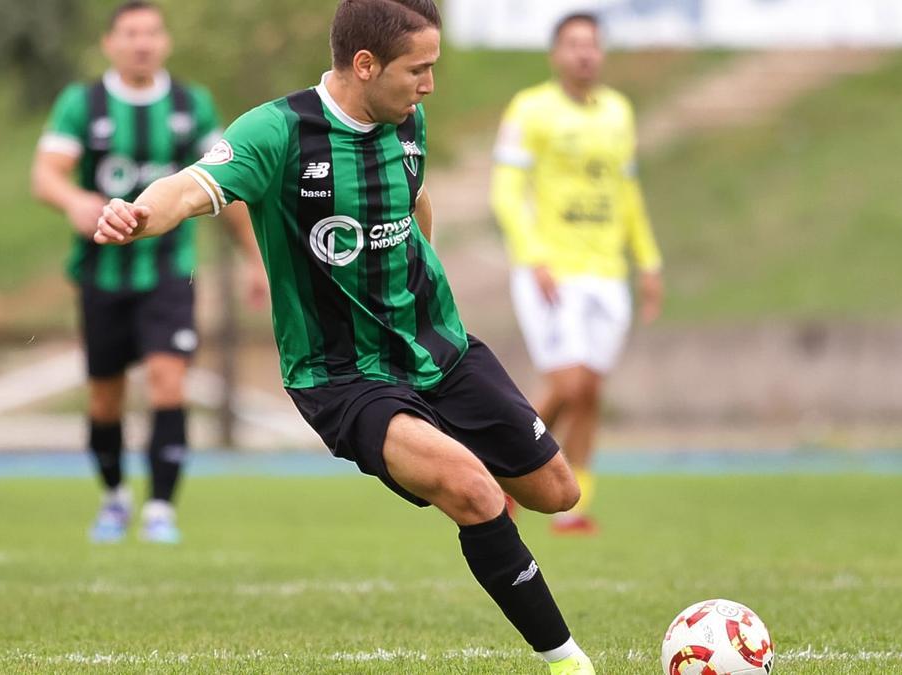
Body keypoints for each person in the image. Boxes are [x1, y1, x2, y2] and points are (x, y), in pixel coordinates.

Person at [92, 1, 596, 672]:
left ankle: (472, 493)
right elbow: (190, 187)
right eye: (419, 69)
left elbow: (416, 199)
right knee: (474, 492)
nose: (429, 85)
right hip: (341, 374)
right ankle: (568, 660)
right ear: (365, 65)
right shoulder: (277, 132)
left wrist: (426, 271)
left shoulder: (406, 117)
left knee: (558, 492)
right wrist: (136, 214)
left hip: (438, 347)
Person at [31, 0, 267, 545]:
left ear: (165, 42)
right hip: (101, 274)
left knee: (168, 381)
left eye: (152, 33)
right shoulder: (82, 104)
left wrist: (255, 259)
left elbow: (222, 186)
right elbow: (46, 174)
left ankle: (160, 507)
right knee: (105, 397)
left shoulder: (190, 104)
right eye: (131, 33)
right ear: (109, 44)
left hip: (169, 271)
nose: (142, 43)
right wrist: (71, 200)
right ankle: (114, 497)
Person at [490, 12, 664, 535]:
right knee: (568, 382)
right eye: (574, 44)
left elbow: (627, 194)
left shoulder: (618, 112)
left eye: (593, 44)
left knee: (589, 390)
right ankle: (508, 471)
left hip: (608, 273)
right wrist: (533, 254)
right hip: (552, 271)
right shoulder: (530, 109)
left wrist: (648, 261)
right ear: (555, 54)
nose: (585, 53)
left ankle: (575, 506)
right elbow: (505, 192)